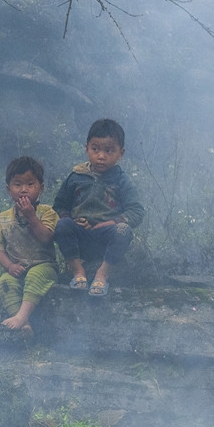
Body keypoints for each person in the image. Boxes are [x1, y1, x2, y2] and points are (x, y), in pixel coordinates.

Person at [52, 118, 145, 297]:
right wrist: (71, 220)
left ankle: (102, 274)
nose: (101, 156)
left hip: (106, 238)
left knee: (123, 230)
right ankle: (78, 273)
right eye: (95, 149)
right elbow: (60, 205)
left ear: (121, 153)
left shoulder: (121, 180)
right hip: (80, 237)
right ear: (87, 148)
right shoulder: (76, 176)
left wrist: (113, 222)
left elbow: (137, 211)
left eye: (109, 150)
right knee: (62, 226)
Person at [0, 156, 60, 333]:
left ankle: (22, 316)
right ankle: (24, 325)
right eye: (17, 185)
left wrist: (31, 217)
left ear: (41, 188)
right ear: (8, 189)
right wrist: (9, 266)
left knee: (34, 276)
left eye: (30, 184)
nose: (23, 190)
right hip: (17, 268)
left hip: (44, 266)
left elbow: (46, 238)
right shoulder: (4, 217)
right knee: (4, 282)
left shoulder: (47, 213)